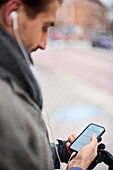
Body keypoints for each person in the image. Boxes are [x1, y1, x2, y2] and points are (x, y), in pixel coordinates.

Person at [0, 0, 98, 170]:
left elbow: (16, 152)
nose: (43, 44)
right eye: (44, 27)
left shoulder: (11, 76)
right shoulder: (5, 101)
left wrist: (59, 152)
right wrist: (78, 166)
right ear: (12, 13)